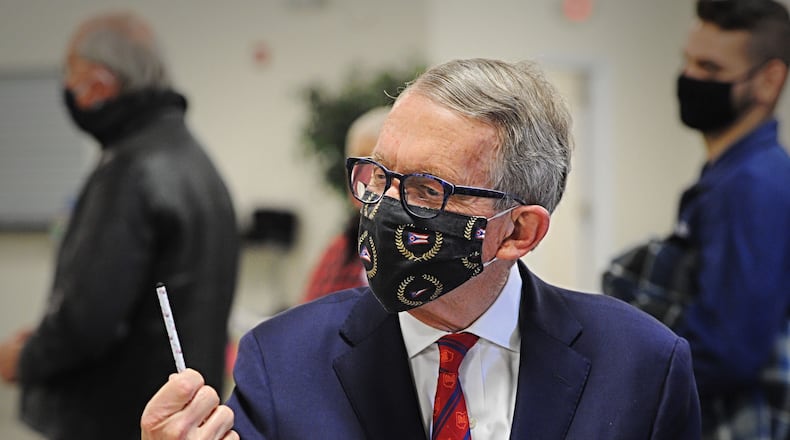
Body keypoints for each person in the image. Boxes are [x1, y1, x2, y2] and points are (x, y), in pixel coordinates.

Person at [141, 58, 700, 440]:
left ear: (519, 232)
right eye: (378, 175)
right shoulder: (282, 361)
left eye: (427, 190)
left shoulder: (641, 366)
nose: (385, 206)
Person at [0, 11, 239, 439]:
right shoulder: (196, 161)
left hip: (123, 418)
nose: (70, 89)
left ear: (101, 83)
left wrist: (25, 358)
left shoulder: (130, 170)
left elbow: (88, 320)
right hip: (182, 413)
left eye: (73, 76)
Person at [674, 0, 790, 437]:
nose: (690, 77)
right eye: (688, 61)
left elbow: (728, 348)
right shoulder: (729, 175)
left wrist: (644, 382)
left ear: (769, 80)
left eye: (710, 68)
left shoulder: (752, 186)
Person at [301, 106, 390, 303]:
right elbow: (312, 312)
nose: (365, 180)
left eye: (377, 169)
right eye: (359, 167)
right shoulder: (341, 248)